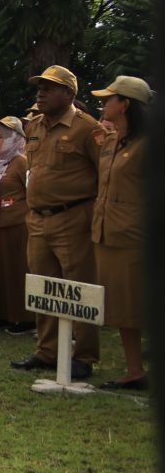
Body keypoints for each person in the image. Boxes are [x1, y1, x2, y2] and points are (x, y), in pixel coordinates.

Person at [11, 66, 104, 380]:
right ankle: (47, 351)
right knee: (43, 287)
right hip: (38, 220)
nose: (41, 92)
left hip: (73, 218)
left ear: (69, 93)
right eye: (39, 86)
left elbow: (104, 176)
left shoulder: (87, 128)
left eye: (49, 87)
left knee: (78, 289)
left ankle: (84, 356)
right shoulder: (34, 126)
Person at [91, 76, 151, 390]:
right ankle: (134, 369)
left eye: (109, 99)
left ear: (125, 104)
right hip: (107, 232)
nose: (104, 104)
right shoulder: (111, 142)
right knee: (123, 306)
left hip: (136, 235)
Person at [0, 117, 33, 333]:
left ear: (15, 138)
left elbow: (32, 193)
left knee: (16, 271)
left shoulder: (21, 162)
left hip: (16, 225)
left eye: (1, 136)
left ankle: (24, 318)